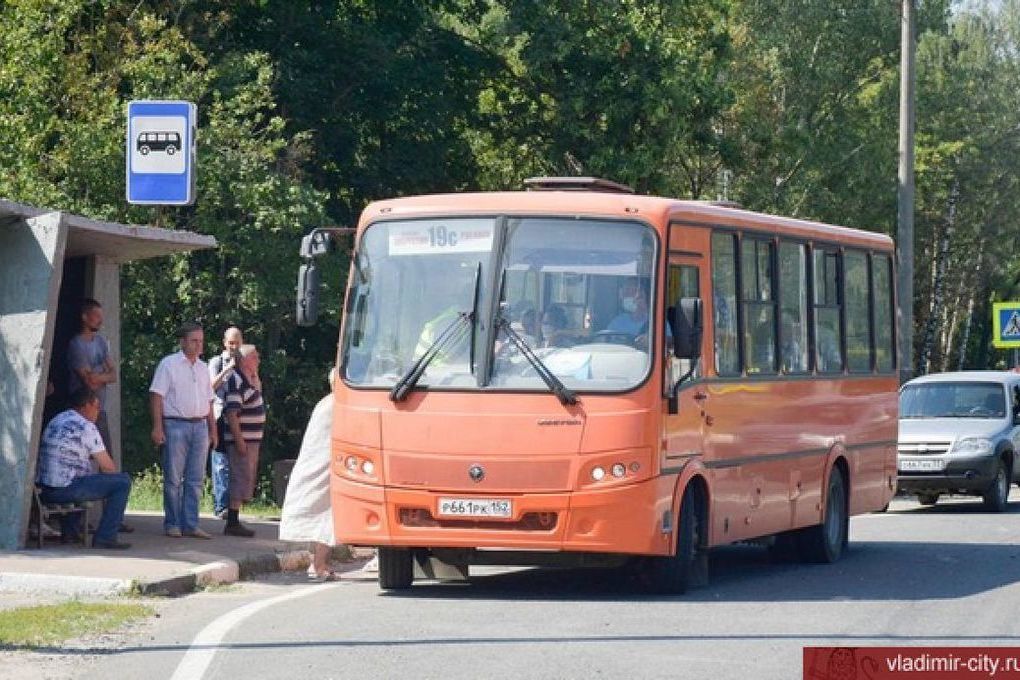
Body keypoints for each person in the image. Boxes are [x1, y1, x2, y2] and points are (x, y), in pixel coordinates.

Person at [36, 388, 132, 549]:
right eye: (96, 406)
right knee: (122, 482)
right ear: (86, 406)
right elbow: (109, 467)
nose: (98, 411)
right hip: (65, 491)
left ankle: (70, 534)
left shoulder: (57, 420)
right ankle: (106, 537)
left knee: (79, 474)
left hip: (44, 491)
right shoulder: (85, 426)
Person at [149, 322, 217, 539]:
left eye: (201, 341)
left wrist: (212, 431)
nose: (199, 345)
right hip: (175, 424)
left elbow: (209, 401)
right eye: (194, 341)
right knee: (173, 478)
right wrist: (157, 426)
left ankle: (191, 523)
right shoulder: (169, 364)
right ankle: (172, 523)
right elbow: (156, 396)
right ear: (183, 342)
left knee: (196, 478)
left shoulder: (203, 367)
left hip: (200, 426)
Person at [279, 378, 340, 581]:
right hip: (326, 467)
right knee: (327, 515)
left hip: (316, 465)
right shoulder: (336, 404)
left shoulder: (325, 402)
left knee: (321, 515)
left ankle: (318, 563)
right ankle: (319, 565)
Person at [220, 344, 265, 537]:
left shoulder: (249, 379)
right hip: (242, 440)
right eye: (254, 357)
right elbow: (232, 412)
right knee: (239, 477)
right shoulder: (236, 380)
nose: (258, 361)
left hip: (251, 439)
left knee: (245, 477)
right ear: (245, 360)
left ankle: (235, 519)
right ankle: (232, 522)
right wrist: (239, 441)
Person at [66, 298, 117, 453]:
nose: (100, 320)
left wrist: (98, 376)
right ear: (85, 317)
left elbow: (114, 375)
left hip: (99, 409)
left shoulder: (101, 342)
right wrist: (104, 375)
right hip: (81, 410)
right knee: (79, 456)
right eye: (96, 316)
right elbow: (89, 382)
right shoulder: (76, 345)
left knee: (106, 456)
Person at [209, 327, 244, 519]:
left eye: (237, 343)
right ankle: (221, 505)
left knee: (235, 462)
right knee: (220, 462)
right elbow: (210, 387)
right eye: (231, 343)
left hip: (239, 417)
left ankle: (234, 505)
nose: (234, 347)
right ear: (224, 343)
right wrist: (228, 369)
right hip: (220, 415)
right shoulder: (216, 362)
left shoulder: (245, 362)